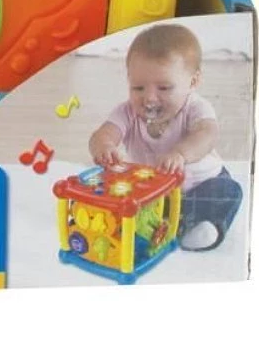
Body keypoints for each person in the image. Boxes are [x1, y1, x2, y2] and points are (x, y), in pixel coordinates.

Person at [89, 24, 242, 251]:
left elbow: (206, 134)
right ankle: (156, 225)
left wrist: (181, 153)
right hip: (152, 192)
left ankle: (196, 227)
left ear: (192, 82)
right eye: (138, 88)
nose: (149, 98)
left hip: (201, 185)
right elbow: (104, 133)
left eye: (164, 88)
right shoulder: (127, 112)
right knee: (119, 195)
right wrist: (104, 146)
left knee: (228, 191)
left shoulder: (196, 107)